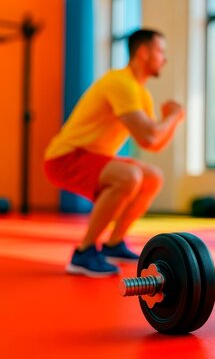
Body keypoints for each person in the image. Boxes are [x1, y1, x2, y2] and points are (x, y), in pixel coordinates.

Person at [44, 29, 184, 277]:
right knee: (129, 176)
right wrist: (172, 117)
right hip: (64, 157)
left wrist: (171, 121)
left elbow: (154, 143)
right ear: (143, 52)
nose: (165, 58)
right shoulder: (120, 83)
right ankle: (84, 253)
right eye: (161, 51)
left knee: (153, 177)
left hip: (93, 157)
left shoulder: (142, 93)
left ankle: (114, 245)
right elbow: (149, 136)